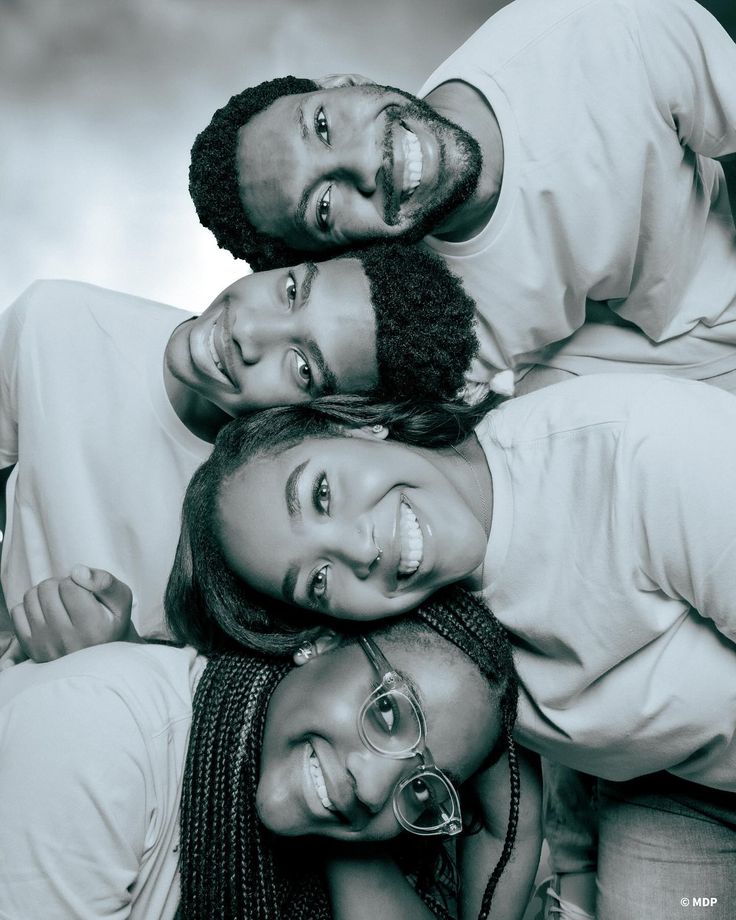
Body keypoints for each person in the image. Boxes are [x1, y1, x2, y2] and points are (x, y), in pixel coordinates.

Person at [166, 373, 736, 917]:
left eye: (321, 493)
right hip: (675, 793)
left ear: (357, 425)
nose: (359, 551)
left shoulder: (641, 453)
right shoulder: (429, 642)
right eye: (317, 580)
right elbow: (509, 816)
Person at [190, 0, 736, 399]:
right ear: (335, 251)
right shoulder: (426, 317)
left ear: (343, 82)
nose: (363, 162)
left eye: (325, 125)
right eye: (325, 205)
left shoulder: (595, 33)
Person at [0, 243, 477, 652]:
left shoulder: (299, 541)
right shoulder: (55, 321)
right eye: (292, 292)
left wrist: (123, 652)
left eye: (302, 367)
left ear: (340, 418)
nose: (246, 334)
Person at [0, 587, 543, 920]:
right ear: (321, 642)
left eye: (421, 788)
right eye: (387, 713)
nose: (376, 788)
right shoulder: (102, 726)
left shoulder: (332, 826)